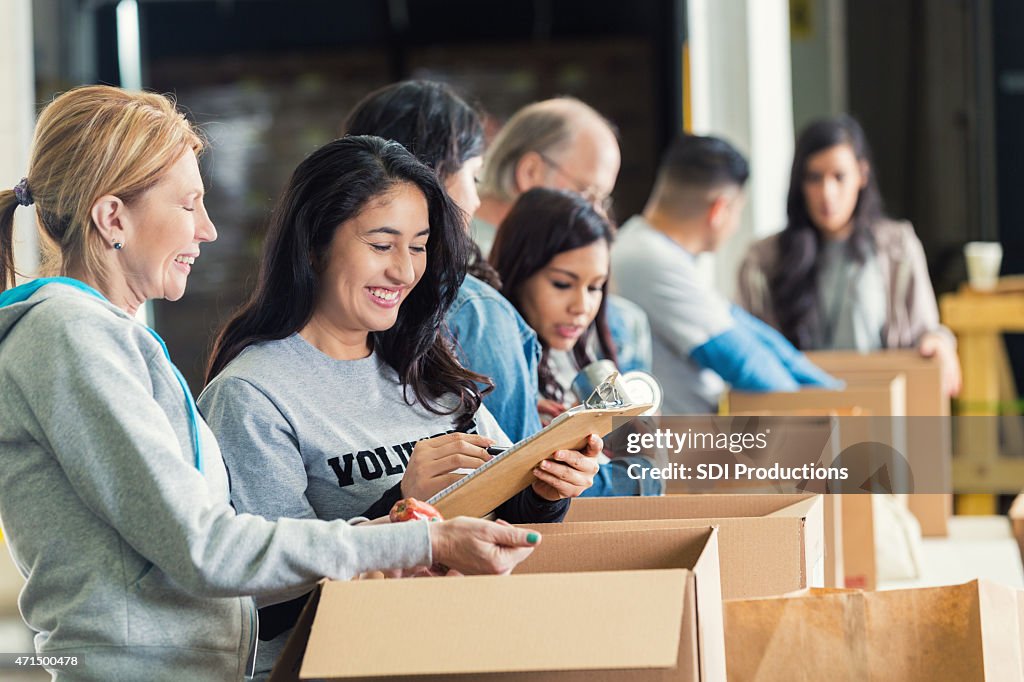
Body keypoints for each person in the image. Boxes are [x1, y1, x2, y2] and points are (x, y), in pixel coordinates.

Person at [0, 86, 540, 682]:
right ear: (112, 218)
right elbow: (206, 548)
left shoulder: (105, 336)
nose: (207, 229)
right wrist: (418, 541)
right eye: (189, 204)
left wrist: (396, 530)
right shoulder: (69, 336)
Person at [199, 135, 601, 677]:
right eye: (382, 245)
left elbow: (503, 520)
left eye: (419, 246)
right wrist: (401, 506)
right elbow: (268, 603)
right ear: (315, 244)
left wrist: (545, 489)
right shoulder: (252, 394)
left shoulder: (427, 365)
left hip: (462, 653)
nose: (405, 271)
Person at [342, 79, 541, 443]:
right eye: (474, 176)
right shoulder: (474, 310)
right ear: (434, 176)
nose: (477, 200)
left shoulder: (324, 308)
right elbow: (523, 473)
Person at [611, 134, 839, 414]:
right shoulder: (648, 259)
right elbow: (745, 363)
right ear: (719, 210)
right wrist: (824, 406)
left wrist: (830, 388)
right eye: (739, 210)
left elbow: (746, 329)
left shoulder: (653, 249)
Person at [736, 115, 961, 396]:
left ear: (861, 175)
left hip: (881, 405)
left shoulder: (897, 247)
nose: (827, 193)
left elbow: (925, 331)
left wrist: (940, 343)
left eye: (839, 177)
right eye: (814, 178)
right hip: (798, 414)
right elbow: (746, 348)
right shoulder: (763, 260)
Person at [490, 187, 660, 495]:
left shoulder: (583, 357)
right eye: (562, 284)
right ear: (519, 272)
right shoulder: (493, 359)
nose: (581, 307)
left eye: (595, 287)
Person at [474, 96, 652, 374]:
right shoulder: (467, 263)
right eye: (587, 193)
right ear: (530, 172)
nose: (597, 216)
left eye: (602, 202)